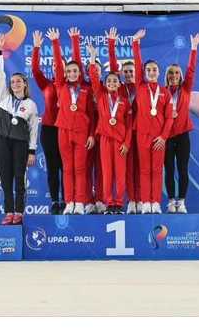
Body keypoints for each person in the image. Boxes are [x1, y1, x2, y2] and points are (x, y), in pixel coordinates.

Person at [48, 27, 96, 215]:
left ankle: (80, 202)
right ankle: (70, 202)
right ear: (66, 73)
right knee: (67, 168)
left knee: (81, 169)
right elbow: (59, 67)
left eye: (75, 70)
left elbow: (92, 115)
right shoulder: (61, 85)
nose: (72, 73)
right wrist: (55, 42)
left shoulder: (86, 89)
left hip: (83, 132)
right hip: (64, 131)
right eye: (69, 71)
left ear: (80, 72)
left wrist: (92, 134)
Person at [0, 33, 40, 224]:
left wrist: (32, 151)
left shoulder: (30, 104)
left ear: (24, 84)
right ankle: (9, 211)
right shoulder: (4, 98)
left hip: (21, 144)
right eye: (12, 82)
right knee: (5, 178)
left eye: (18, 81)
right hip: (3, 141)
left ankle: (19, 212)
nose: (15, 84)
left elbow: (33, 130)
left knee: (19, 178)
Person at [87, 42, 133, 215]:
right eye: (109, 80)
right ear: (104, 83)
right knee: (107, 173)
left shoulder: (124, 101)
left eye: (115, 80)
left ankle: (118, 203)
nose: (112, 83)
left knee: (120, 174)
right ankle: (108, 203)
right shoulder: (100, 95)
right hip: (105, 139)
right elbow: (93, 76)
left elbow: (129, 125)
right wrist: (92, 57)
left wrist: (127, 143)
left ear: (119, 84)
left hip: (121, 141)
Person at [132, 29, 175, 214]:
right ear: (144, 72)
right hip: (142, 135)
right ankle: (145, 202)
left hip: (158, 138)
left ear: (159, 72)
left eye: (154, 70)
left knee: (157, 170)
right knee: (144, 170)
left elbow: (169, 118)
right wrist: (136, 43)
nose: (151, 72)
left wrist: (164, 137)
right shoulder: (140, 87)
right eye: (148, 70)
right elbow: (137, 61)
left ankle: (155, 202)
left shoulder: (165, 92)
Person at [163, 33, 199, 213]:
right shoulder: (161, 92)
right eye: (171, 73)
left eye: (177, 73)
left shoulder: (185, 89)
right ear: (167, 75)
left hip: (183, 135)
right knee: (169, 169)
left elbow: (191, 70)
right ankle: (171, 201)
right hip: (167, 137)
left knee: (183, 169)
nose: (174, 75)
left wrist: (193, 48)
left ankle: (182, 202)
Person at [107, 28, 141, 213]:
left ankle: (140, 199)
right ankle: (131, 200)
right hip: (124, 133)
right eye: (125, 72)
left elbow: (138, 60)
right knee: (126, 169)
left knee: (141, 167)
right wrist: (111, 44)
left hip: (142, 131)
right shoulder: (119, 89)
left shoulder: (141, 87)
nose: (128, 74)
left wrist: (136, 44)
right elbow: (113, 68)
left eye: (131, 71)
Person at [31, 30, 65, 214]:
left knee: (66, 167)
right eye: (52, 65)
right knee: (52, 166)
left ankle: (69, 200)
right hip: (49, 130)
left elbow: (60, 65)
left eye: (58, 65)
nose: (55, 67)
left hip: (65, 130)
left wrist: (55, 43)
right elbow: (35, 70)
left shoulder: (69, 86)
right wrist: (37, 47)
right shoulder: (46, 84)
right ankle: (54, 200)